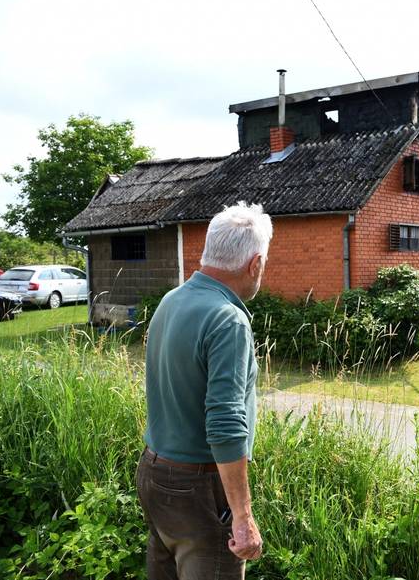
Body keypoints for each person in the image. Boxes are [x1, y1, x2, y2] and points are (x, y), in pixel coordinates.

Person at [136, 202, 272, 579]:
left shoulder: (172, 300)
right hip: (198, 487)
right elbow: (226, 424)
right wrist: (242, 517)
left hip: (154, 471)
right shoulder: (227, 319)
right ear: (255, 264)